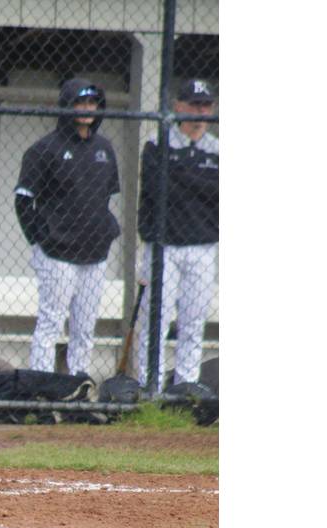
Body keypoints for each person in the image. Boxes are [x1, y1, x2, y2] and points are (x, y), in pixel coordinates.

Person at [14, 78, 121, 376]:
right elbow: (23, 202)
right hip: (56, 253)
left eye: (92, 103)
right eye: (80, 103)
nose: (87, 109)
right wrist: (41, 241)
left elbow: (105, 198)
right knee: (51, 323)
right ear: (67, 107)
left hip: (95, 254)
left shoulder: (105, 148)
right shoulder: (44, 150)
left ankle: (78, 387)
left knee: (85, 328)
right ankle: (41, 385)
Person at [136, 79, 219, 392]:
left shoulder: (217, 148)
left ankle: (186, 387)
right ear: (179, 107)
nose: (200, 112)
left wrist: (184, 178)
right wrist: (201, 183)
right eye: (194, 105)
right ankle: (151, 387)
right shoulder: (158, 143)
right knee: (155, 319)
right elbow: (158, 190)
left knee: (194, 320)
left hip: (202, 245)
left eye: (205, 105)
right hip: (163, 246)